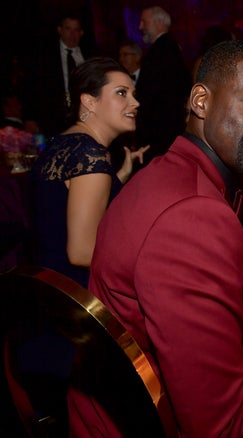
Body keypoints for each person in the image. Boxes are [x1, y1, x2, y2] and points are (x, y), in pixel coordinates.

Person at [87, 40, 243, 436]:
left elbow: (212, 305)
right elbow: (222, 426)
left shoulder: (168, 174)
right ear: (201, 102)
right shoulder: (191, 216)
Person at [30, 57, 148, 288]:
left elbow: (62, 203)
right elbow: (82, 252)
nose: (135, 103)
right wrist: (144, 261)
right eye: (122, 93)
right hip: (79, 297)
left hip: (50, 288)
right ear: (89, 102)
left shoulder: (64, 142)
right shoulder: (90, 154)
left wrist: (119, 176)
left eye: (133, 94)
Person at [135, 6, 191, 160]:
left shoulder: (161, 51)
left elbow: (150, 94)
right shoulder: (170, 48)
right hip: (167, 129)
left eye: (144, 22)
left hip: (158, 132)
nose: (140, 27)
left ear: (159, 22)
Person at [25, 14, 88, 138]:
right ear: (60, 30)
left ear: (81, 33)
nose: (72, 34)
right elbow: (31, 86)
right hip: (53, 118)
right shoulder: (44, 55)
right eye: (68, 29)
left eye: (76, 30)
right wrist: (30, 116)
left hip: (85, 116)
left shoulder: (89, 55)